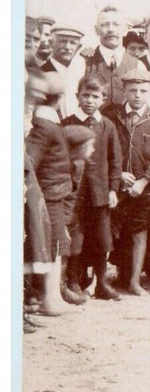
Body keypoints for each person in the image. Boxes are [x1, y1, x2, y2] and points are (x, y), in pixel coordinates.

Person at [102, 64, 150, 295]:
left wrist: (143, 182)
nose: (137, 96)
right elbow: (104, 150)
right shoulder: (112, 116)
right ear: (124, 91)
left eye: (142, 91)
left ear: (149, 90)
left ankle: (134, 282)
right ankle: (99, 281)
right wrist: (117, 175)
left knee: (140, 235)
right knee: (109, 232)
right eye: (132, 91)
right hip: (116, 187)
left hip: (144, 190)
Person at [26, 72, 85, 310]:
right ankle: (50, 299)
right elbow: (30, 161)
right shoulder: (46, 126)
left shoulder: (46, 124)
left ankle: (51, 297)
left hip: (54, 193)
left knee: (56, 244)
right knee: (53, 245)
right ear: (59, 98)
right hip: (50, 194)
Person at [62, 74, 123, 301]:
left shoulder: (107, 126)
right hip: (74, 194)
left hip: (100, 193)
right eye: (85, 95)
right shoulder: (68, 123)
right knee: (75, 237)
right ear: (77, 96)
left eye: (95, 96)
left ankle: (102, 283)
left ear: (103, 99)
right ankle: (72, 281)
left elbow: (115, 160)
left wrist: (113, 189)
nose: (89, 100)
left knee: (102, 238)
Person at [83, 6, 142, 108]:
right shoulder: (82, 61)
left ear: (125, 30)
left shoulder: (138, 65)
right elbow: (71, 102)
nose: (111, 29)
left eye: (116, 24)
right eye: (105, 25)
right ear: (96, 30)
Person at [40, 26, 87, 118]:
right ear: (51, 43)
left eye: (73, 43)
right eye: (63, 41)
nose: (67, 47)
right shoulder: (41, 73)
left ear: (78, 47)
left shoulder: (80, 73)